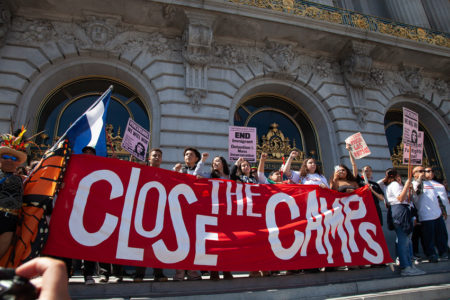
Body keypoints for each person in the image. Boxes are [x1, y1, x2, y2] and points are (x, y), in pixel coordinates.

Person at [134, 148, 168, 282]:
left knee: (157, 245)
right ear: (149, 158)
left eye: (159, 156)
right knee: (142, 245)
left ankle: (158, 274)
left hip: (159, 214)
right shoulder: (142, 171)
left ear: (161, 159)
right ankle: (139, 274)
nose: (157, 157)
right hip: (143, 213)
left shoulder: (165, 174)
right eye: (154, 155)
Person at [383, 169, 425, 276]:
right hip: (399, 210)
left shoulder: (393, 185)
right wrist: (406, 185)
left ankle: (409, 264)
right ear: (396, 176)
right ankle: (405, 266)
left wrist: (408, 189)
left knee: (407, 240)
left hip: (402, 210)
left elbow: (407, 199)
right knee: (403, 240)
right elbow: (400, 198)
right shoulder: (394, 185)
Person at [172, 147, 203, 281]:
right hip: (180, 211)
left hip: (195, 213)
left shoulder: (202, 172)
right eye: (186, 154)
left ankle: (192, 271)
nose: (188, 156)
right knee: (179, 242)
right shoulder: (179, 170)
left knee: (194, 243)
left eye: (191, 155)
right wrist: (174, 172)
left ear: (197, 158)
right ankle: (179, 272)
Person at [0, 129, 28, 259]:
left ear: (17, 161)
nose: (9, 160)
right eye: (5, 157)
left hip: (10, 219)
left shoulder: (21, 179)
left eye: (13, 158)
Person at [412, 166, 448, 262]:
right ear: (414, 174)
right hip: (426, 215)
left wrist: (443, 211)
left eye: (424, 171)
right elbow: (417, 193)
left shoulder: (431, 183)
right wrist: (419, 180)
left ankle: (443, 252)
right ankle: (431, 254)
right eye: (420, 171)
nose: (423, 172)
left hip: (437, 214)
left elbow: (438, 198)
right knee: (428, 237)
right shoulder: (414, 184)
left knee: (441, 236)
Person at [346, 144, 384, 225]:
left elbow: (381, 198)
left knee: (378, 228)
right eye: (366, 170)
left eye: (370, 170)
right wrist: (350, 151)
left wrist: (372, 190)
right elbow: (354, 165)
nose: (368, 172)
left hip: (375, 207)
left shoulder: (375, 184)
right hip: (364, 207)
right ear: (362, 172)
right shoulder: (359, 180)